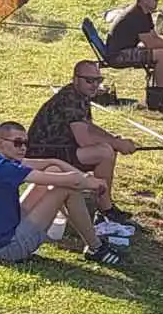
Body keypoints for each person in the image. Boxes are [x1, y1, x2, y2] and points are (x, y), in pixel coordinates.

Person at [0, 122, 125, 266]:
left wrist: (87, 178)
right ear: (0, 143)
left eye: (26, 143)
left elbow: (52, 163)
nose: (23, 148)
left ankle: (93, 244)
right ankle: (96, 248)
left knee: (54, 171)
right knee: (66, 188)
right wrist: (92, 183)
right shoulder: (5, 169)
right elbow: (72, 182)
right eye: (17, 143)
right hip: (3, 250)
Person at [27, 61, 139, 226]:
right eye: (89, 80)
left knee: (107, 148)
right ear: (75, 79)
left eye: (98, 80)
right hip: (44, 153)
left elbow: (89, 128)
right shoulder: (70, 99)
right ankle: (105, 210)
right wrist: (116, 143)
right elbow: (84, 140)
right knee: (104, 153)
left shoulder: (79, 95)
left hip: (61, 148)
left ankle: (104, 206)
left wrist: (114, 140)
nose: (94, 85)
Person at [105, 0, 163, 111]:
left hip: (125, 50)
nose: (157, 0)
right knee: (162, 55)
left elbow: (154, 37)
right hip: (117, 55)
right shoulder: (136, 15)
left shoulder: (145, 13)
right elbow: (150, 43)